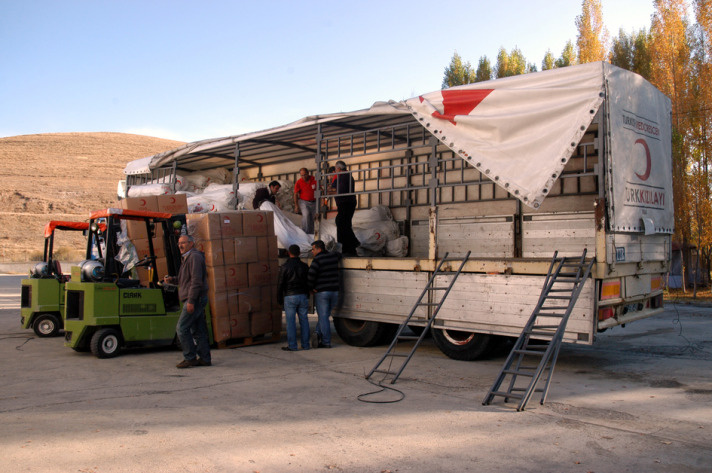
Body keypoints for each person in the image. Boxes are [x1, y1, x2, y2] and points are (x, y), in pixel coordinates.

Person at [164, 234, 211, 368]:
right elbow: (184, 279)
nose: (180, 245)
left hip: (195, 299)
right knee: (198, 330)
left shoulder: (194, 257)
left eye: (183, 243)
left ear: (191, 243)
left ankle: (190, 357)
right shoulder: (187, 258)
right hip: (194, 299)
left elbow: (196, 281)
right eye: (179, 243)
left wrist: (191, 301)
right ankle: (205, 358)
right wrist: (172, 280)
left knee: (182, 328)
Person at [307, 239, 341, 348]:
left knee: (323, 317)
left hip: (322, 293)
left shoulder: (316, 260)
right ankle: (317, 333)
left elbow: (310, 277)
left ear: (318, 249)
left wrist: (311, 289)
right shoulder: (333, 256)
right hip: (334, 292)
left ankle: (326, 342)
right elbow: (339, 254)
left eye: (313, 249)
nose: (312, 252)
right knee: (325, 316)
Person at [277, 244, 311, 351]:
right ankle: (305, 345)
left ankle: (292, 345)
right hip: (303, 295)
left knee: (290, 322)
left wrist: (279, 298)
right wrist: (307, 294)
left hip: (290, 296)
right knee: (304, 321)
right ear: (299, 253)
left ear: (288, 253)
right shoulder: (304, 266)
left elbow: (280, 284)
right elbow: (308, 282)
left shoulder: (284, 267)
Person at [331, 161, 360, 256]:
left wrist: (330, 191)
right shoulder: (345, 176)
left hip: (346, 203)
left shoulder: (343, 177)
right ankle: (350, 248)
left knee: (341, 222)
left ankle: (352, 244)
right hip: (347, 203)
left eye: (336, 169)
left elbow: (341, 191)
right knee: (344, 223)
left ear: (338, 168)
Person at [293, 167, 318, 234]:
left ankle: (312, 233)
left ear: (308, 173)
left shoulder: (314, 179)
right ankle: (305, 233)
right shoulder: (298, 182)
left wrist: (322, 201)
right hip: (304, 202)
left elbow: (320, 189)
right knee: (306, 215)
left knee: (314, 217)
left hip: (314, 202)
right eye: (302, 175)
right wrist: (296, 205)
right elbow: (295, 194)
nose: (303, 177)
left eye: (305, 175)